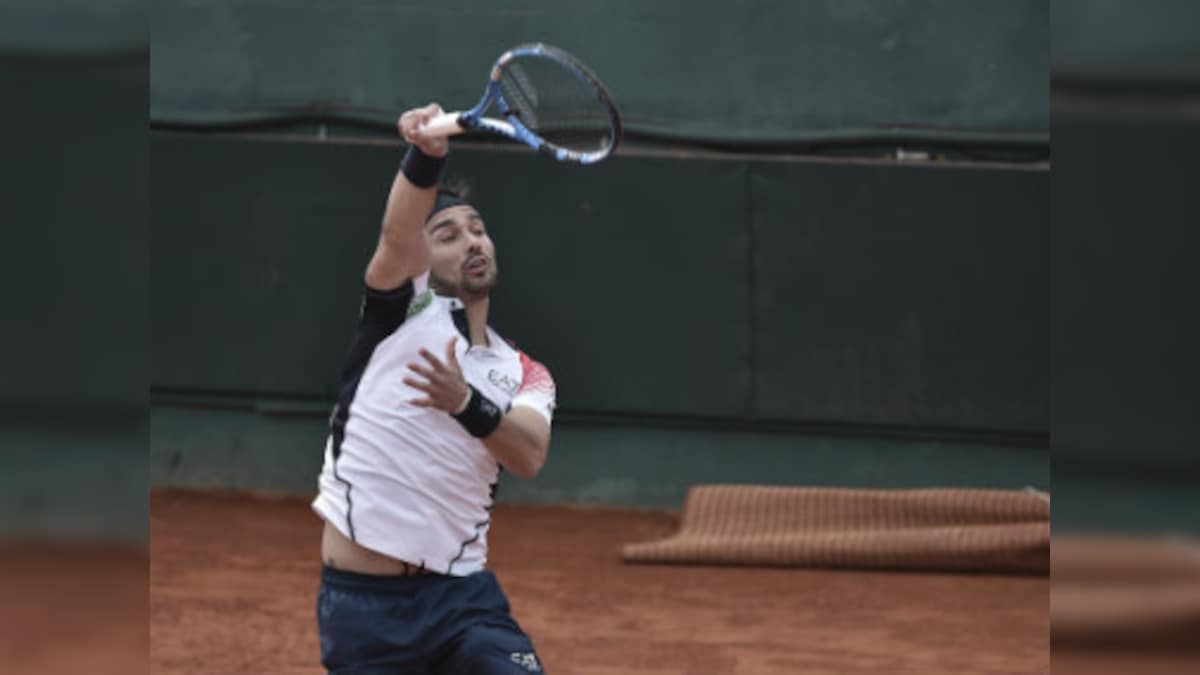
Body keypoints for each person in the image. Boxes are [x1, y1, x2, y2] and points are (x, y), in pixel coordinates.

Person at [311, 102, 556, 674]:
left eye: (478, 229)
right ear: (424, 257)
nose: (472, 242)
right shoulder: (399, 316)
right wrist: (427, 152)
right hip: (362, 607)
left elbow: (529, 453)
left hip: (462, 601)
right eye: (447, 234)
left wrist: (466, 404)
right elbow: (398, 233)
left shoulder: (525, 372)